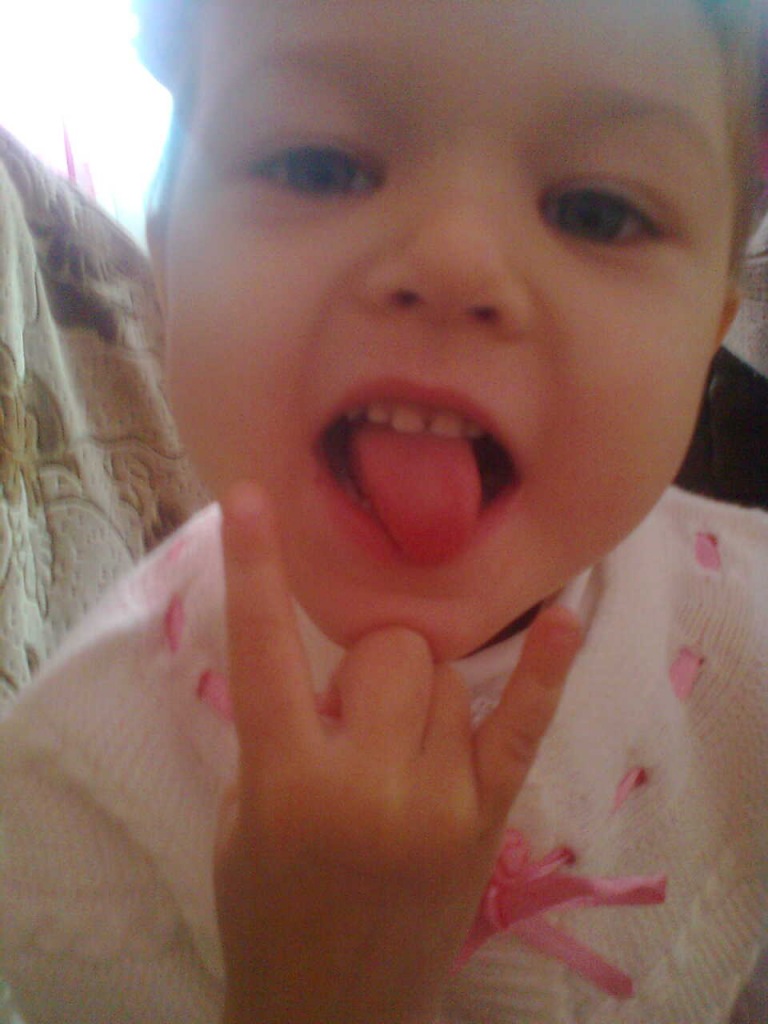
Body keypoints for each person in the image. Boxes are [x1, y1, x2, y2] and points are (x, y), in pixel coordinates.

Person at [1, 1, 767, 1022]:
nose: (454, 260)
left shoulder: (749, 643)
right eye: (318, 166)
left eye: (596, 212)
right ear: (167, 258)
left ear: (710, 335)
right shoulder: (74, 791)